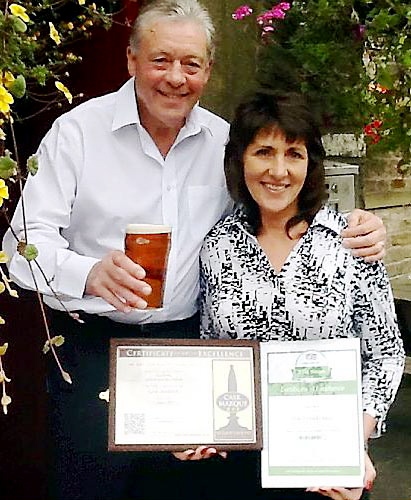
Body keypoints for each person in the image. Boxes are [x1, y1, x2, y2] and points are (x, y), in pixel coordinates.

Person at [2, 0, 388, 499]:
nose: (175, 78)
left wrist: (353, 226)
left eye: (191, 64)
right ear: (131, 59)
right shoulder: (76, 135)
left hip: (192, 350)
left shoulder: (223, 142)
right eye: (161, 60)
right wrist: (87, 272)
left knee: (181, 488)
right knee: (89, 486)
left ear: (208, 70)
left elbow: (276, 204)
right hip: (94, 346)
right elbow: (20, 248)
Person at [198, 91, 405, 500]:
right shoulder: (217, 246)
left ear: (310, 165)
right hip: (236, 468)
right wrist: (194, 424)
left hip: (323, 469)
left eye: (294, 154)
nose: (278, 170)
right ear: (240, 159)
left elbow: (385, 355)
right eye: (264, 152)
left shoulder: (351, 242)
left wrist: (352, 443)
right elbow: (211, 353)